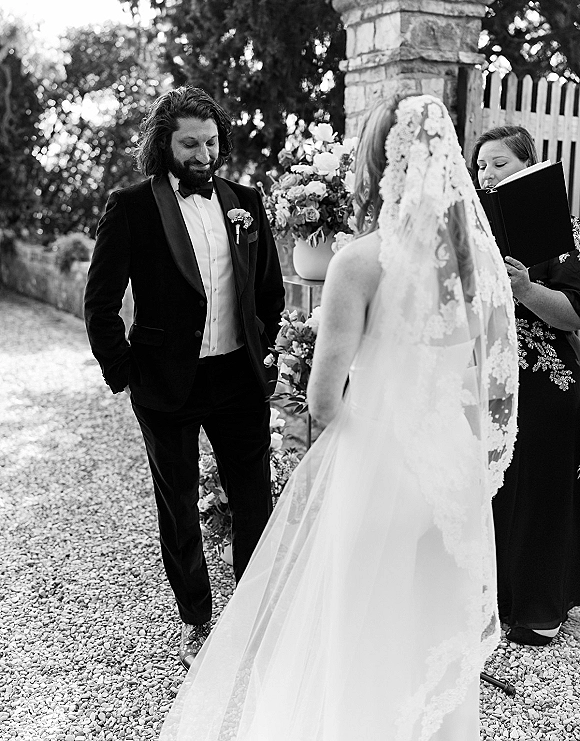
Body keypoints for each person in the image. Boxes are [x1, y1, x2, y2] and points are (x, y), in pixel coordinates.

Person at [158, 95, 518, 741]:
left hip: (381, 476)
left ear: (377, 166)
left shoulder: (361, 262)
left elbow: (324, 402)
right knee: (434, 642)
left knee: (360, 642)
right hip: (453, 480)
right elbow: (489, 376)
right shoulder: (475, 262)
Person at [84, 86, 285, 667]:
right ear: (163, 143)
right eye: (189, 144)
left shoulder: (245, 200)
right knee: (176, 500)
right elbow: (100, 302)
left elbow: (268, 289)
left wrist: (266, 353)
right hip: (165, 381)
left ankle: (249, 606)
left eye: (210, 142)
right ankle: (196, 611)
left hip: (238, 377)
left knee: (254, 497)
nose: (202, 155)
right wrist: (122, 371)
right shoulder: (131, 206)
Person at [473, 124, 580, 645]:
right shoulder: (471, 232)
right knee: (492, 491)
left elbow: (574, 315)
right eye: (481, 166)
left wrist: (525, 288)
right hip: (485, 381)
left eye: (499, 165)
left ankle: (540, 607)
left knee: (539, 494)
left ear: (529, 168)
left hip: (547, 383)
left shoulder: (565, 235)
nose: (487, 174)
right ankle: (490, 602)